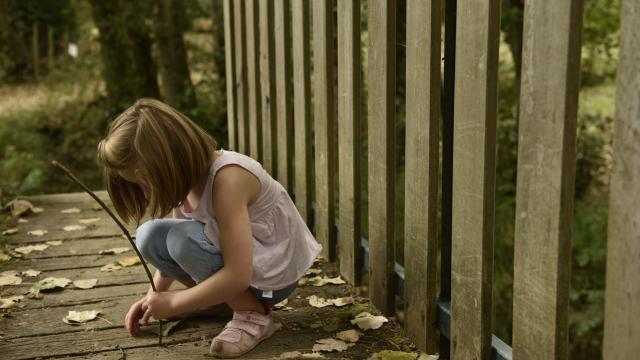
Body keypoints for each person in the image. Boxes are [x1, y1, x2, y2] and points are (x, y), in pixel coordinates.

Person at [96, 98, 322, 358]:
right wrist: (154, 297)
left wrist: (174, 303)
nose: (145, 194)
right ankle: (220, 304)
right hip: (245, 272)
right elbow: (172, 244)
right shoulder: (186, 180)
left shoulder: (229, 179)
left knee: (181, 239)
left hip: (272, 278)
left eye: (145, 183)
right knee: (150, 234)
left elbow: (238, 274)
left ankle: (253, 316)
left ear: (170, 163)